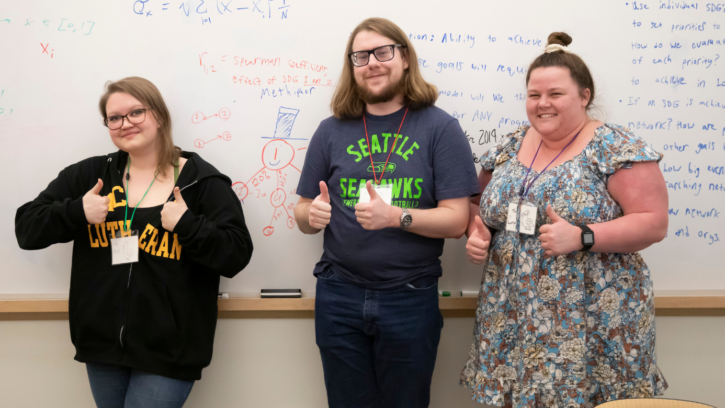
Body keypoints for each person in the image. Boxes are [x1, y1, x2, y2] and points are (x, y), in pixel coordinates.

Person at [15, 77, 253, 408]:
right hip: (102, 346)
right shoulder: (90, 176)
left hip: (171, 350)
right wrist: (76, 212)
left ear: (158, 115)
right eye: (115, 117)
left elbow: (237, 253)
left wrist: (187, 225)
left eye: (136, 112)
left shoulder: (201, 182)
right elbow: (25, 228)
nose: (125, 123)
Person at [460, 33, 669, 407]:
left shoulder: (616, 148)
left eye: (555, 94)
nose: (543, 104)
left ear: (584, 96)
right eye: (534, 95)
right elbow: (480, 207)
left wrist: (582, 236)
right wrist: (477, 232)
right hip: (511, 314)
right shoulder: (509, 146)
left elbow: (653, 222)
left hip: (591, 319)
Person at [294, 17, 479, 408]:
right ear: (352, 66)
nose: (372, 62)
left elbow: (457, 219)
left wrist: (396, 217)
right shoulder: (331, 131)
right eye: (361, 56)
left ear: (406, 58)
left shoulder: (440, 128)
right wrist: (311, 217)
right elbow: (302, 209)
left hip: (409, 297)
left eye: (383, 52)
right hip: (338, 295)